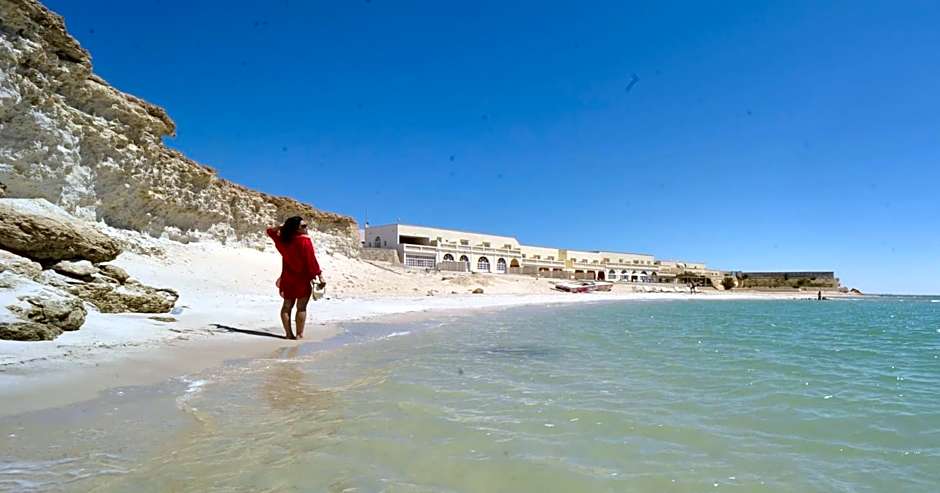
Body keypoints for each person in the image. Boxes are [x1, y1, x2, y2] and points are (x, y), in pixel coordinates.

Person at [266, 217, 325, 339]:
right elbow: (311, 261)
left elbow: (270, 231)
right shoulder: (305, 241)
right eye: (303, 226)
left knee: (287, 306)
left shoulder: (284, 241)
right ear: (296, 229)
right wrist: (319, 275)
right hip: (302, 280)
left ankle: (288, 334)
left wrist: (282, 227)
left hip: (287, 279)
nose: (306, 228)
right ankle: (299, 334)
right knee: (301, 307)